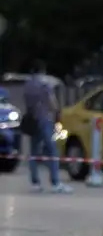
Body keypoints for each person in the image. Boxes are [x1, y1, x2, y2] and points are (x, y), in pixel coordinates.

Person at [22, 60, 72, 194]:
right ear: (43, 70)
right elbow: (52, 102)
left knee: (33, 151)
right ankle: (55, 182)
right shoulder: (45, 84)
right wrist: (58, 113)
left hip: (32, 121)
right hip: (45, 119)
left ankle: (35, 182)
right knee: (52, 150)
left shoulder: (27, 85)